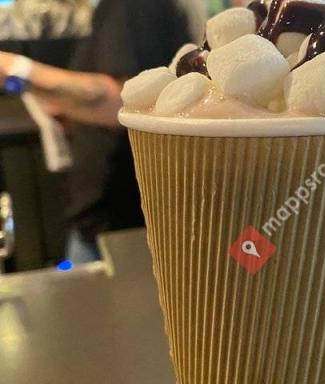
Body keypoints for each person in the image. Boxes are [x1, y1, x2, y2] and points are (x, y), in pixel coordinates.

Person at [0, 0, 192, 263]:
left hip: (124, 226)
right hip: (101, 222)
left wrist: (14, 70)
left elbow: (122, 102)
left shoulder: (132, 5)